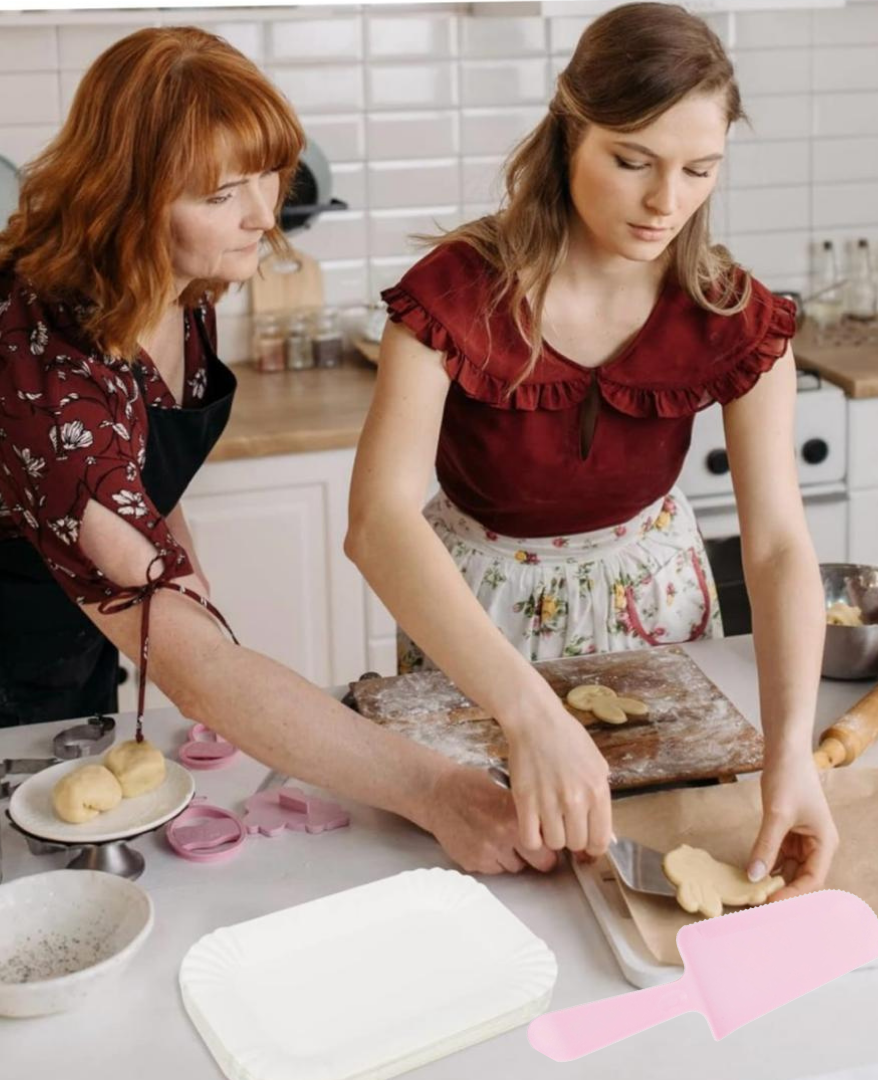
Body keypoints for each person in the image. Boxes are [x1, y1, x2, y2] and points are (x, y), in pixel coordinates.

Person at [0, 26, 551, 876]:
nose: (265, 211)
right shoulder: (45, 372)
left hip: (67, 650)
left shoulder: (177, 276)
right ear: (127, 199)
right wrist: (437, 792)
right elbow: (197, 668)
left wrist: (176, 556)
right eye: (223, 194)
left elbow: (143, 449)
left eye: (267, 172)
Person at [346, 2, 839, 898]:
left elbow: (774, 547)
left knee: (653, 864)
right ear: (570, 132)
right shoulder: (452, 296)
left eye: (700, 169)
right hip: (476, 619)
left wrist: (791, 749)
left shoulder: (735, 313)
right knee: (500, 883)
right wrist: (526, 711)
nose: (667, 202)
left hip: (655, 606)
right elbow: (378, 522)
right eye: (632, 161)